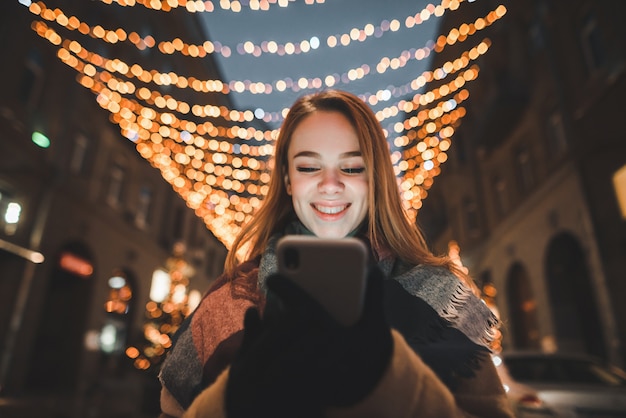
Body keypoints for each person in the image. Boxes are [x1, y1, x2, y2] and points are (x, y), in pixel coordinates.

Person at [158, 89, 514, 418]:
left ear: (375, 178)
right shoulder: (228, 302)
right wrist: (231, 397)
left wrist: (390, 377)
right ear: (287, 180)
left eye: (352, 166)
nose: (330, 184)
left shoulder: (443, 295)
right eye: (309, 166)